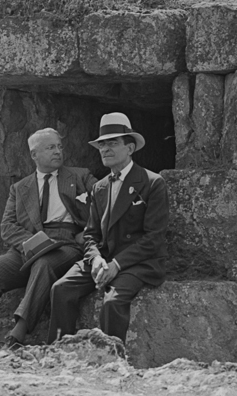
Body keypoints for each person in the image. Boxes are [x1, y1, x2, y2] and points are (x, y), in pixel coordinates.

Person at [0, 129, 97, 361]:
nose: (57, 151)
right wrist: (34, 242)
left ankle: (16, 337)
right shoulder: (20, 188)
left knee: (44, 264)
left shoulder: (80, 176)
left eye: (59, 147)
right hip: (29, 246)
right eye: (50, 147)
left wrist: (86, 233)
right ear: (34, 155)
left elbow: (105, 201)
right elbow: (7, 226)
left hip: (66, 245)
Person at [48, 112, 168, 346]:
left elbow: (154, 238)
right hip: (104, 259)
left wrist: (117, 265)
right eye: (102, 144)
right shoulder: (100, 188)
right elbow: (91, 235)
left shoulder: (153, 183)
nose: (105, 149)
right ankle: (59, 355)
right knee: (61, 289)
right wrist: (95, 260)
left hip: (137, 262)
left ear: (130, 148)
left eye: (113, 143)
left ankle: (111, 363)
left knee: (112, 302)